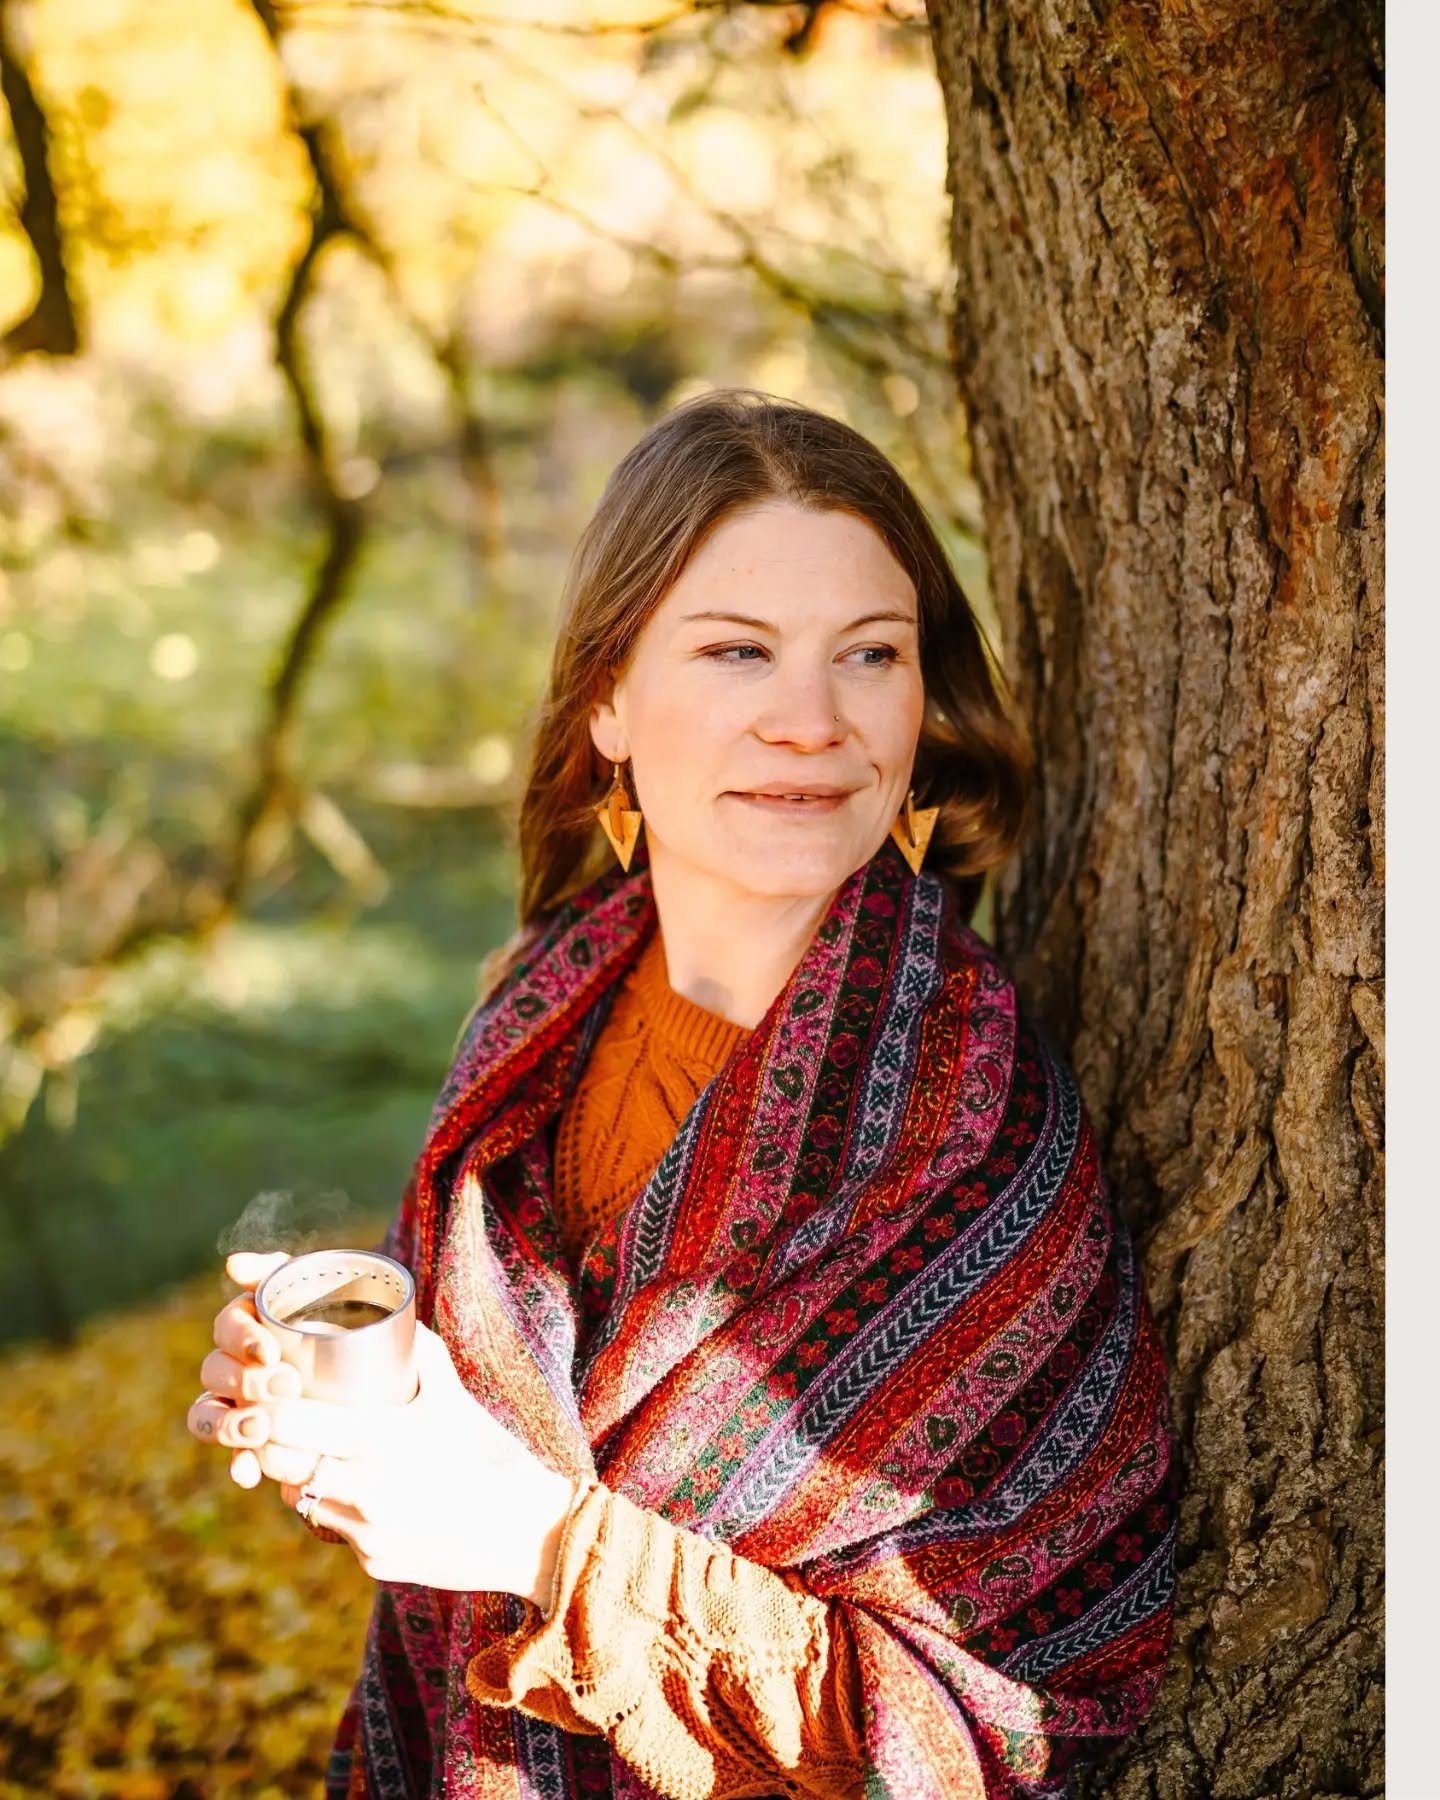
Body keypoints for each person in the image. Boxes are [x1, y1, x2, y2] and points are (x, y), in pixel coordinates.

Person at [187, 390, 1178, 1799]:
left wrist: (539, 1544)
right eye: (736, 651)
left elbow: (992, 1723)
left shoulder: (966, 1134)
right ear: (608, 699)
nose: (812, 723)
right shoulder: (543, 998)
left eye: (870, 654)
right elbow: (495, 1404)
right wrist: (347, 1406)